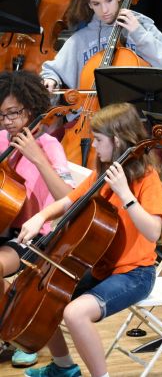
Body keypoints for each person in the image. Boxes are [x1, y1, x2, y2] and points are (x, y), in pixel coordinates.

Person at [16, 102, 162, 377]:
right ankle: (64, 367)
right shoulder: (103, 174)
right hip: (101, 269)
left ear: (118, 139)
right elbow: (66, 202)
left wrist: (126, 195)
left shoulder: (147, 178)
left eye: (99, 140)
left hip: (135, 274)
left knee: (75, 313)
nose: (94, 146)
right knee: (45, 295)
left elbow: (154, 232)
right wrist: (40, 217)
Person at [0, 71, 75, 369]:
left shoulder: (49, 147)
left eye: (13, 113)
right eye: (2, 115)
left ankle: (18, 331)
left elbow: (69, 199)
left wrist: (37, 158)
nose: (7, 122)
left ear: (31, 110)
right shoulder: (2, 138)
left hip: (32, 236)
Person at [39, 0, 162, 91]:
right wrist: (51, 79)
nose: (104, 10)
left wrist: (140, 35)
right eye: (96, 4)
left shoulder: (141, 26)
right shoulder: (81, 39)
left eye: (109, 0)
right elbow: (52, 70)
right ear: (89, 4)